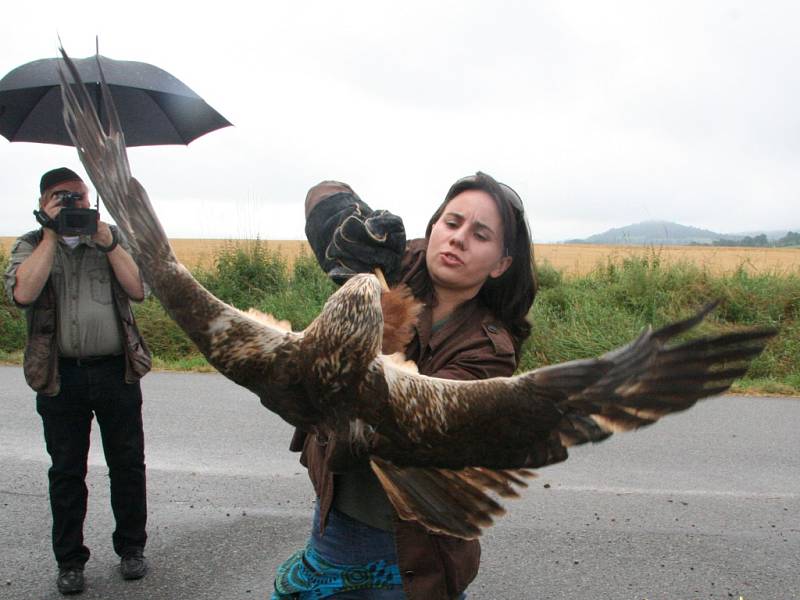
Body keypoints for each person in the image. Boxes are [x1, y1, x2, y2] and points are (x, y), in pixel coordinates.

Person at [273, 172, 536, 599]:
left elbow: (400, 423)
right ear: (432, 227)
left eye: (480, 234)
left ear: (501, 264)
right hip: (335, 514)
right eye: (451, 223)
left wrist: (375, 325)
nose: (458, 239)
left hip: (411, 546)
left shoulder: (490, 352)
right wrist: (343, 226)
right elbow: (322, 191)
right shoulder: (392, 264)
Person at [3, 168, 152, 595]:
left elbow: (140, 288)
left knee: (127, 465)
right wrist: (50, 236)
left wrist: (107, 242)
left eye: (79, 197)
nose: (73, 205)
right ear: (43, 203)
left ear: (92, 201)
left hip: (115, 371)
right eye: (61, 198)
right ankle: (70, 561)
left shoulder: (111, 239)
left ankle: (131, 550)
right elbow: (23, 294)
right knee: (67, 472)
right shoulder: (30, 245)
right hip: (60, 377)